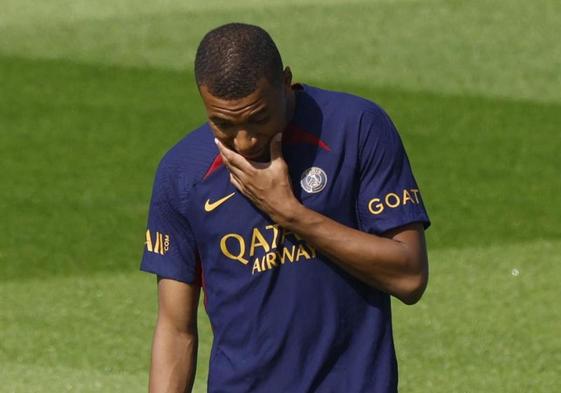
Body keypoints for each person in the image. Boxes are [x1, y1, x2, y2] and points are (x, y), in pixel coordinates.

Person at [141, 22, 430, 393]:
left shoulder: (356, 129)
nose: (244, 141)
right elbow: (175, 329)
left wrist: (290, 213)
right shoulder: (183, 173)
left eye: (259, 118)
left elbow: (409, 277)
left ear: (286, 82)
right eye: (223, 124)